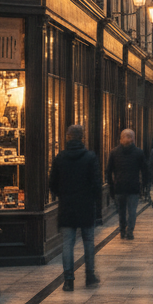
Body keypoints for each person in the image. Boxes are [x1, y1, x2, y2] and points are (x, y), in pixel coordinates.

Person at [48, 124, 102, 290]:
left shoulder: (60, 158)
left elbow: (52, 183)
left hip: (67, 205)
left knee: (68, 243)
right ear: (82, 137)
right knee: (88, 241)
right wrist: (93, 199)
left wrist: (63, 194)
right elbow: (96, 183)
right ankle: (90, 275)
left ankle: (68, 280)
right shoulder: (90, 157)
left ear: (67, 137)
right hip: (86, 205)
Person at [106, 127, 149, 240]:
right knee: (131, 211)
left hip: (119, 186)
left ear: (120, 139)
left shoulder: (114, 152)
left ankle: (122, 230)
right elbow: (145, 170)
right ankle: (129, 231)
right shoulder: (138, 152)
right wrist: (144, 185)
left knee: (121, 211)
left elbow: (109, 171)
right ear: (133, 139)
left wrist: (111, 186)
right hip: (133, 186)